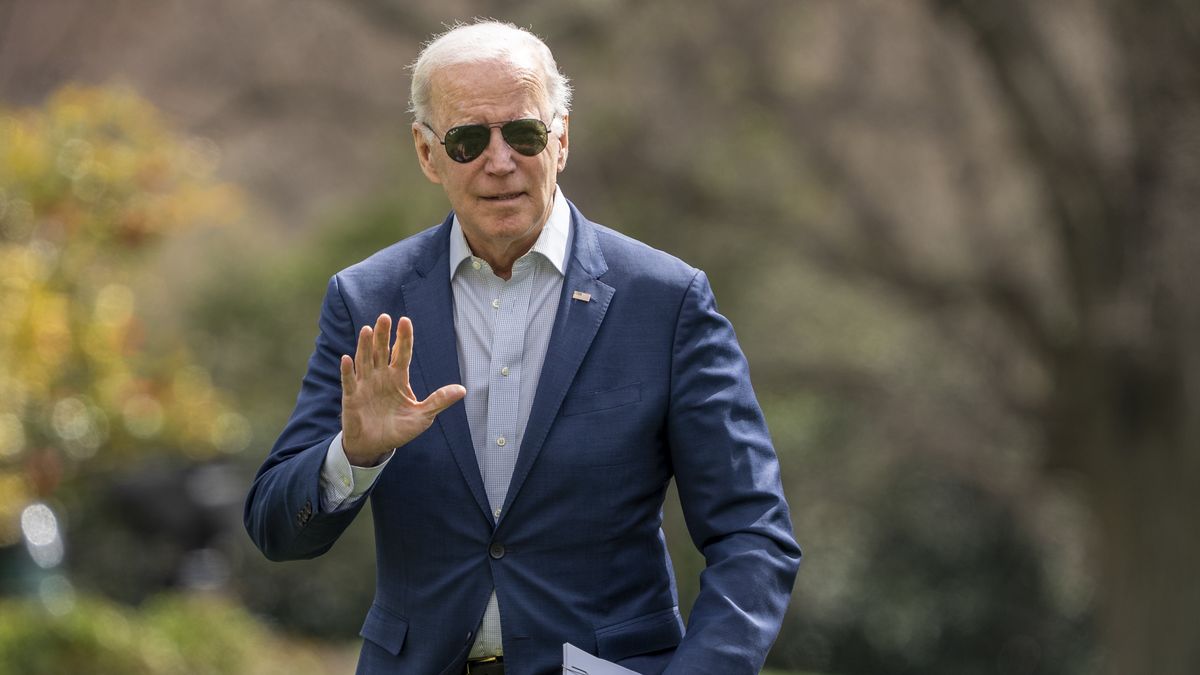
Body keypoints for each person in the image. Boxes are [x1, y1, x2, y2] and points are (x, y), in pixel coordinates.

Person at [244, 20, 800, 675]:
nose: (500, 160)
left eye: (525, 133)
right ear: (428, 153)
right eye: (469, 139)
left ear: (561, 138)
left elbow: (752, 533)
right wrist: (354, 456)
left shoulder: (666, 300)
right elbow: (277, 528)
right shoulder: (367, 301)